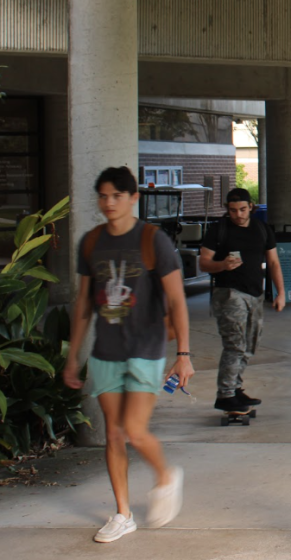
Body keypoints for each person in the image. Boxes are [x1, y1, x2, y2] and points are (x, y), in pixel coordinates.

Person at [63, 166, 193, 543]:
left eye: (116, 196)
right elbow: (84, 303)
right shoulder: (90, 242)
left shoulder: (153, 240)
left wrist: (183, 353)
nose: (108, 203)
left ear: (133, 198)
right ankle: (122, 513)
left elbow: (177, 301)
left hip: (145, 350)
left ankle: (166, 476)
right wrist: (73, 357)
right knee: (115, 435)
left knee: (134, 430)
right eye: (102, 196)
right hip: (106, 351)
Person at [199, 188, 286, 414]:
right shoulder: (218, 230)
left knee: (250, 344)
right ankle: (225, 394)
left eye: (242, 209)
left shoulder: (261, 228)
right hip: (229, 294)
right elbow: (204, 262)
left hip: (255, 293)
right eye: (233, 210)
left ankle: (235, 389)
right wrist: (222, 266)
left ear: (251, 207)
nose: (238, 214)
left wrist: (281, 293)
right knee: (235, 344)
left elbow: (273, 262)